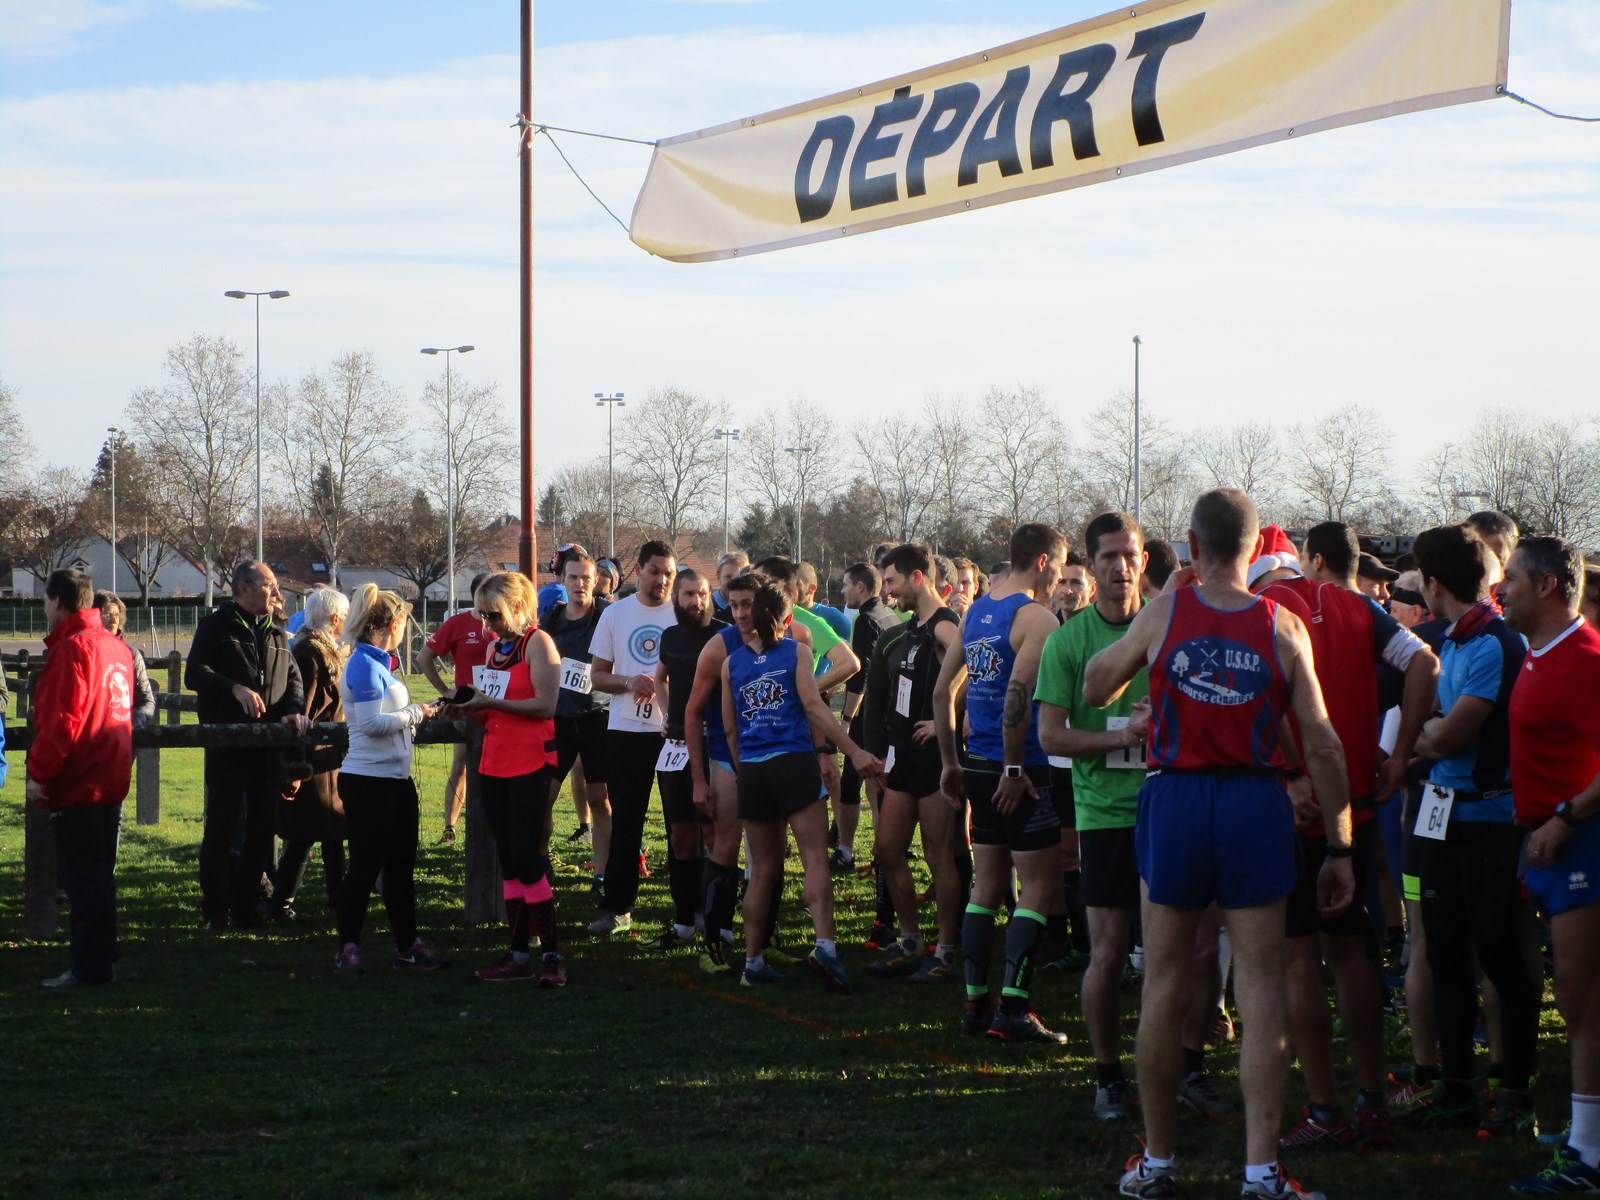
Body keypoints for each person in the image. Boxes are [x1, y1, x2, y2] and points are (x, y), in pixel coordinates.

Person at [1085, 488, 1354, 1200]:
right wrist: (1341, 847)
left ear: (1194, 548)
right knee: (1260, 986)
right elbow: (1324, 745)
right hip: (1253, 802)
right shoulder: (1282, 624)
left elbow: (1095, 684)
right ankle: (1260, 1172)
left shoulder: (1166, 611)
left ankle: (1158, 1163)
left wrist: (1158, 631)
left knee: (1164, 983)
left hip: (1177, 797)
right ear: (1256, 548)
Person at [1261, 522, 1437, 1156]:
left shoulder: (1266, 608)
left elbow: (1263, 697)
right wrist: (1401, 753)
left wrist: (1289, 772)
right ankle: (1370, 1099)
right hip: (1353, 805)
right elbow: (1426, 663)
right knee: (1351, 951)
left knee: (1298, 958)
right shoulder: (1364, 610)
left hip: (1293, 803)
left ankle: (1326, 1108)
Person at [1401, 523, 1537, 1138]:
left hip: (1488, 820)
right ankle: (1456, 1087)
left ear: (1433, 584)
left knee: (1499, 954)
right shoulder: (1451, 640)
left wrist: (1427, 733)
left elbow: (1448, 734)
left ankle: (1514, 1088)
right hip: (1440, 815)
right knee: (1445, 953)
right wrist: (1430, 732)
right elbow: (1432, 729)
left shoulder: (1495, 643)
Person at [1036, 513, 1154, 1119]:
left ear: (1144, 562)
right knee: (1106, 953)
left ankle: (1182, 1068)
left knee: (1177, 955)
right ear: (1089, 565)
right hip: (1105, 814)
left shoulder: (1168, 628)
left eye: (1129, 555)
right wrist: (1121, 737)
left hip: (1168, 808)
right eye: (1108, 557)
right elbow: (1051, 736)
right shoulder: (1067, 641)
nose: (1120, 567)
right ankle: (1109, 1077)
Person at [934, 522, 1070, 1044]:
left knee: (987, 886)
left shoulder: (976, 612)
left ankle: (975, 1004)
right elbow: (1017, 696)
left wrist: (951, 762)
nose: (1060, 578)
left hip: (977, 765)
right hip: (1022, 771)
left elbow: (943, 691)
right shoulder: (1036, 618)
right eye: (1060, 567)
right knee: (1039, 887)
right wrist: (1015, 769)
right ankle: (1013, 1007)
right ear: (1042, 561)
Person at [719, 571, 882, 991]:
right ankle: (825, 947)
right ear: (787, 619)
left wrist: (744, 769)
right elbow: (814, 706)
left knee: (761, 871)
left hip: (753, 770)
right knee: (814, 859)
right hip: (793, 763)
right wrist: (854, 750)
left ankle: (752, 962)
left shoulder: (730, 663)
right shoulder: (797, 652)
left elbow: (731, 730)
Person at [1502, 538, 1600, 1193]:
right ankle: (1584, 1135)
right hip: (1548, 841)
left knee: (1581, 996)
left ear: (1546, 587)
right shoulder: (1540, 651)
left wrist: (1566, 816)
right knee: (1574, 997)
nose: (1500, 589)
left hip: (1583, 842)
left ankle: (1588, 1156)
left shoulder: (1586, 659)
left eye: (1510, 578)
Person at [451, 572, 565, 986]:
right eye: (482, 616)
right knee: (510, 861)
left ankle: (551, 955)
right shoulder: (494, 649)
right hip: (494, 763)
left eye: (494, 615)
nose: (488, 625)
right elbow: (492, 709)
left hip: (530, 763)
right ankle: (518, 955)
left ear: (517, 607)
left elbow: (546, 705)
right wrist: (466, 707)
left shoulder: (538, 643)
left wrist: (491, 703)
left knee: (528, 860)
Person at [26, 569, 135, 989]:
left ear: (57, 601)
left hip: (79, 781)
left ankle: (91, 967)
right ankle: (102, 956)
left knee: (82, 880)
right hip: (110, 774)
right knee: (101, 877)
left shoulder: (71, 650)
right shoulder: (116, 647)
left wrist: (39, 774)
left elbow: (61, 722)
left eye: (45, 600)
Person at [186, 561, 309, 930]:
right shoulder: (215, 627)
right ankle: (215, 910)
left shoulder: (277, 634)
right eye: (268, 584)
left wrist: (294, 711)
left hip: (266, 748)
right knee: (221, 829)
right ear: (242, 588)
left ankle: (246, 906)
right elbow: (196, 673)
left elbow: (293, 680)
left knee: (261, 829)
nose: (276, 592)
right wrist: (234, 689)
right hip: (228, 746)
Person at [862, 543, 963, 983]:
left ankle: (947, 950)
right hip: (902, 757)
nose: (887, 591)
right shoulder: (909, 629)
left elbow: (969, 660)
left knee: (938, 855)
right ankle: (910, 941)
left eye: (892, 581)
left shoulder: (943, 622)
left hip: (934, 762)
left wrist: (944, 720)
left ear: (917, 577)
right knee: (887, 849)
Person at [333, 584, 446, 975]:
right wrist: (418, 713)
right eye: (405, 624)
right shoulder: (364, 664)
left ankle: (407, 946)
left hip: (395, 780)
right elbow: (370, 724)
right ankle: (348, 947)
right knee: (365, 867)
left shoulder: (379, 663)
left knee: (400, 868)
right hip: (369, 781)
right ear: (393, 624)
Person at [587, 540, 677, 935]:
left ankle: (688, 911)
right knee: (626, 820)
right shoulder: (615, 614)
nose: (662, 580)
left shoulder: (683, 615)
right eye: (655, 571)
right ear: (639, 570)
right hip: (625, 730)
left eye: (669, 573)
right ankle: (618, 907)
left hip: (673, 732)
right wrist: (630, 682)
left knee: (680, 823)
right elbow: (597, 676)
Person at [649, 568, 725, 951]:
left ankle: (716, 921)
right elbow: (658, 679)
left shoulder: (724, 636)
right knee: (681, 837)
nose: (697, 601)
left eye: (703, 594)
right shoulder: (669, 637)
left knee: (713, 835)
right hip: (676, 746)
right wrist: (667, 716)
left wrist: (720, 722)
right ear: (676, 598)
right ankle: (684, 920)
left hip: (715, 748)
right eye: (689, 594)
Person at [271, 585, 349, 924]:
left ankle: (338, 896)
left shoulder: (322, 650)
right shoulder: (310, 654)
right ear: (335, 618)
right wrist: (296, 766)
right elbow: (302, 712)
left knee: (334, 832)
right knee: (305, 833)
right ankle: (281, 902)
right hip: (314, 759)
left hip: (329, 759)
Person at [541, 551, 614, 894]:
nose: (580, 584)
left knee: (600, 799)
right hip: (560, 717)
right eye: (573, 577)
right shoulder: (552, 618)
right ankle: (541, 862)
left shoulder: (606, 615)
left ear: (595, 581)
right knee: (545, 796)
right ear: (563, 580)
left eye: (586, 578)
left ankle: (602, 875)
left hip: (598, 717)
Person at [419, 571, 491, 844]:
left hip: (499, 707)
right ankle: (450, 828)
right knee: (461, 764)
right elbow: (424, 657)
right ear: (476, 595)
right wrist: (445, 691)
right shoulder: (458, 623)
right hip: (466, 709)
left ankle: (491, 826)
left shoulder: (505, 624)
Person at [838, 561, 901, 868]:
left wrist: (847, 719)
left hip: (871, 716)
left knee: (858, 784)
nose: (842, 591)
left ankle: (851, 852)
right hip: (892, 714)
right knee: (879, 786)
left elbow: (861, 674)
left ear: (860, 587)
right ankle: (884, 853)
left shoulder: (865, 620)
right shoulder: (889, 615)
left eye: (845, 585)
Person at [94, 592, 157, 728]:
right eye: (107, 615)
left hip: (124, 734)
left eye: (116, 615)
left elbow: (147, 701)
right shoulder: (88, 653)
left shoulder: (131, 654)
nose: (114, 620)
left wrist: (129, 725)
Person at [797, 561, 851, 640]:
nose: (791, 587)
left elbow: (854, 643)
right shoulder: (784, 616)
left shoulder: (832, 616)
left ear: (812, 588)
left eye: (797, 584)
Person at [712, 550, 749, 617]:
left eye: (739, 578)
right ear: (718, 577)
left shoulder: (753, 609)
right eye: (729, 577)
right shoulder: (708, 610)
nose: (733, 582)